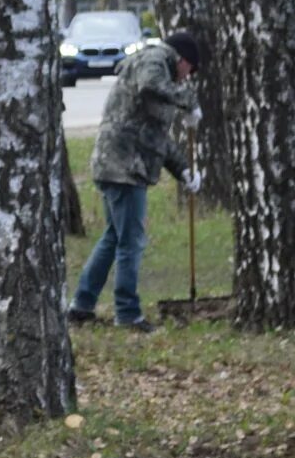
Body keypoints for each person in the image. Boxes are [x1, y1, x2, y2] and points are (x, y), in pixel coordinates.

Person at [71, 23, 207, 331]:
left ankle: (82, 304)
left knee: (113, 237)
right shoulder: (155, 59)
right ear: (183, 60)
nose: (187, 78)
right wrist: (188, 100)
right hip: (124, 166)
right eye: (190, 72)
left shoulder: (160, 73)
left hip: (118, 163)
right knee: (130, 241)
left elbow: (157, 136)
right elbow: (149, 84)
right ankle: (128, 313)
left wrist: (184, 170)